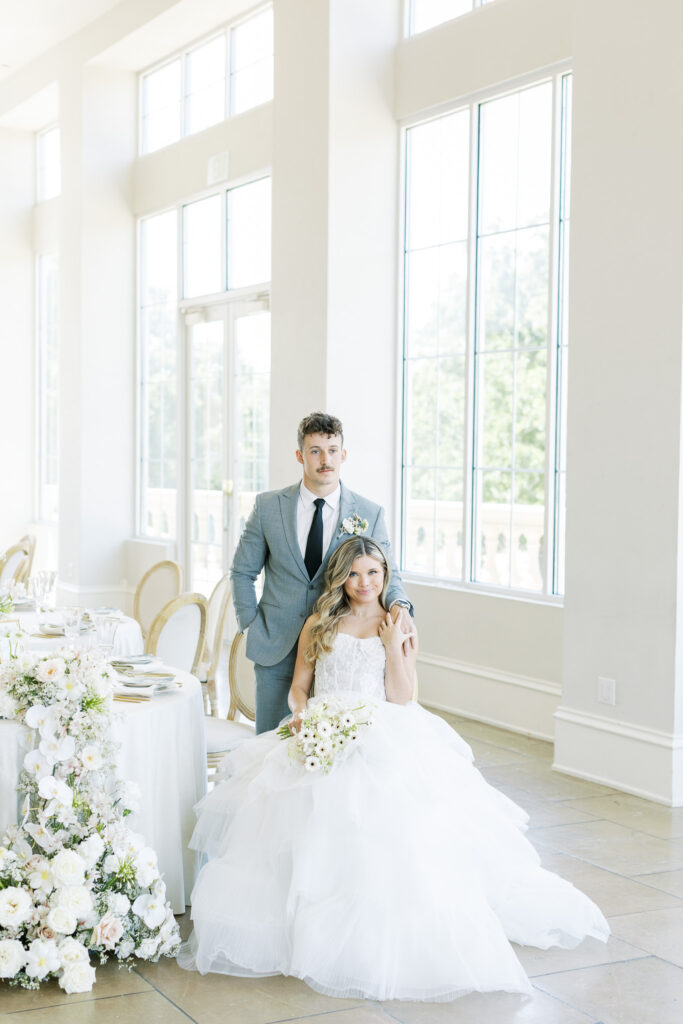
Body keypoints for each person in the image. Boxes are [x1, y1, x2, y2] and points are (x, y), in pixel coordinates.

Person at [178, 536, 609, 1002]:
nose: (365, 584)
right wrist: (304, 715)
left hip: (380, 728)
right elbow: (299, 687)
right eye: (355, 574)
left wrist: (391, 643)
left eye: (374, 574)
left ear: (385, 576)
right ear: (340, 577)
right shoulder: (319, 622)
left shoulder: (397, 622)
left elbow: (403, 698)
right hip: (321, 728)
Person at [230, 411, 413, 733]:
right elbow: (242, 572)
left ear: (343, 455)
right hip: (276, 643)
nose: (324, 459)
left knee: (334, 747)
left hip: (338, 644)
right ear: (301, 456)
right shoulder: (268, 507)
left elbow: (389, 572)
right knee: (274, 745)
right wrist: (251, 625)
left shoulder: (369, 513)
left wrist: (400, 605)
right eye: (315, 451)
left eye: (332, 450)